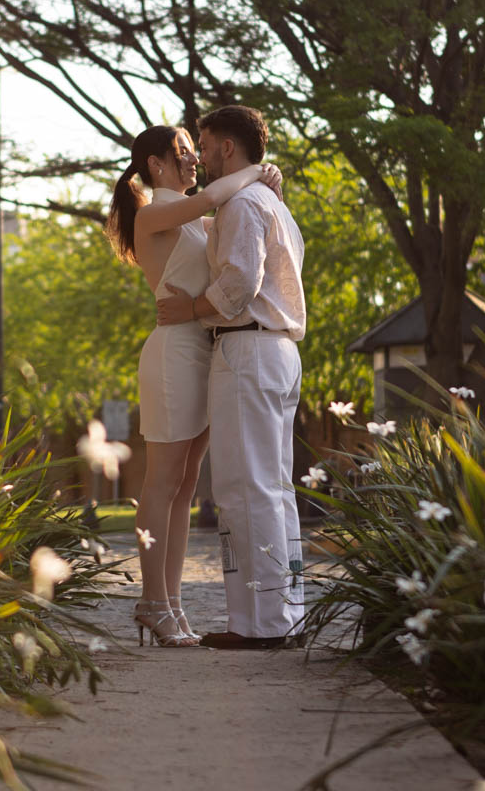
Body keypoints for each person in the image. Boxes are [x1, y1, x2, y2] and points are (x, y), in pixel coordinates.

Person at [105, 124, 281, 648]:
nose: (192, 160)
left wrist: (259, 179)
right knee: (161, 482)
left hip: (206, 349)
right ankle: (151, 600)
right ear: (156, 165)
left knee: (185, 487)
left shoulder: (197, 220)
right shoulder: (154, 215)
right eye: (182, 153)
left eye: (192, 151)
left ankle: (172, 602)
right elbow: (212, 195)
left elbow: (224, 211)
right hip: (172, 354)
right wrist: (257, 169)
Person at [157, 105, 306, 650]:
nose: (198, 150)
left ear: (226, 147)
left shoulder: (244, 203)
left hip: (247, 346)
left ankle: (262, 624)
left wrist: (191, 310)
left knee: (247, 490)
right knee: (273, 488)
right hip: (276, 350)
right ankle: (278, 617)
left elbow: (241, 281)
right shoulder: (272, 203)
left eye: (203, 139)